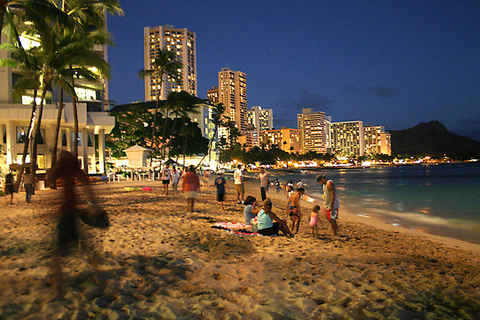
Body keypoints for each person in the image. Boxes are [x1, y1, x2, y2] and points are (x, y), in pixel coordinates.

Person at [46, 150, 104, 302]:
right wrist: (93, 205)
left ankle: (58, 293)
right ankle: (99, 277)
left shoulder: (69, 171)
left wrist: (93, 204)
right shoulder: (71, 172)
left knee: (57, 256)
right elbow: (86, 187)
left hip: (67, 217)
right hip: (71, 215)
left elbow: (49, 178)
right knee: (86, 249)